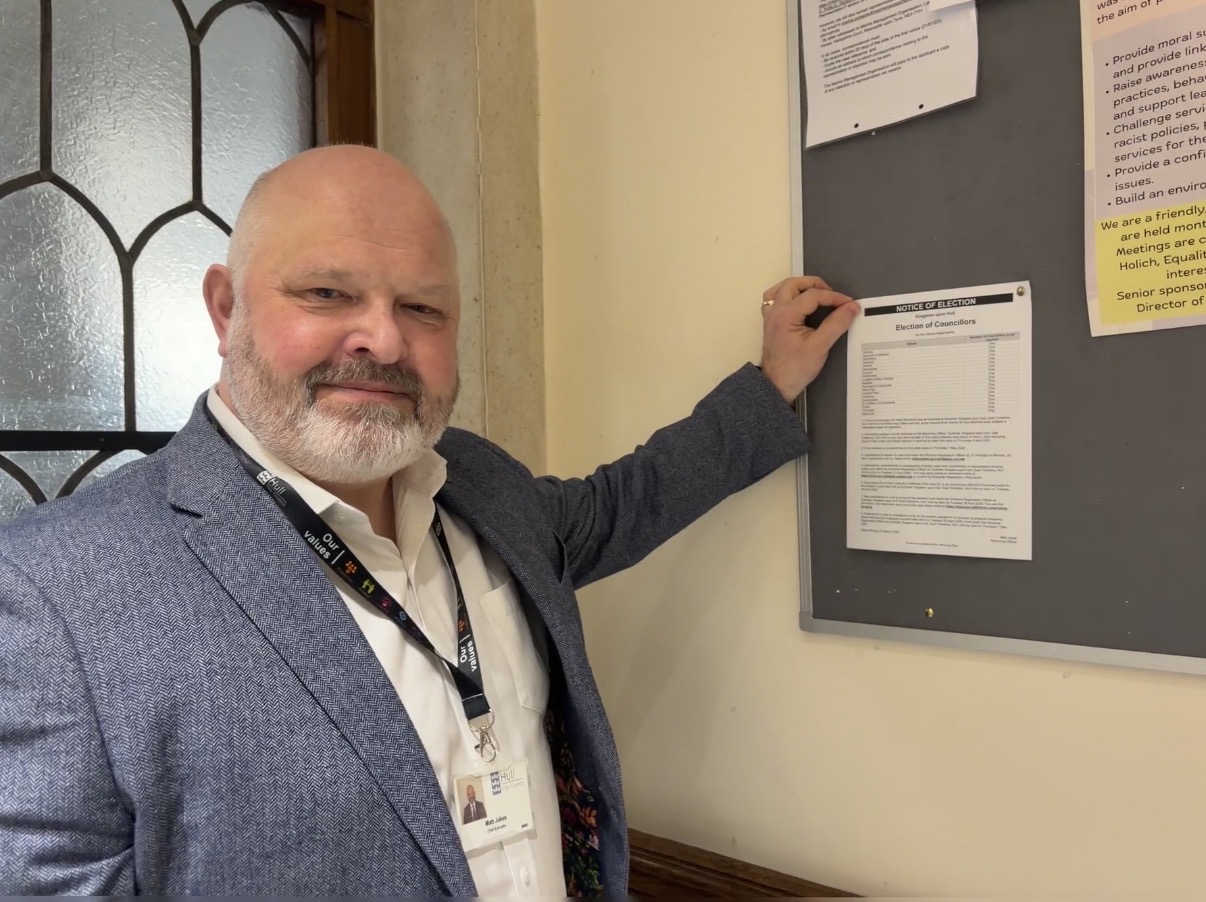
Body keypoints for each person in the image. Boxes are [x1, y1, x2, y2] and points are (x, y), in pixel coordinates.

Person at [0, 145, 858, 896]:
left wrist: (771, 383)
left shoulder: (481, 485)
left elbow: (623, 503)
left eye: (423, 308)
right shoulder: (53, 593)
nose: (382, 340)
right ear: (227, 309)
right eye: (327, 292)